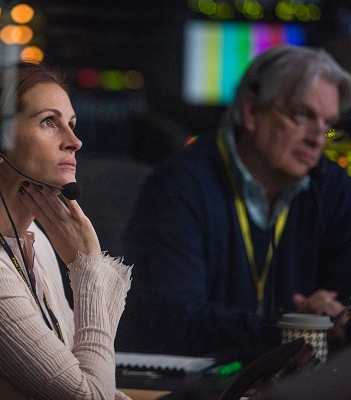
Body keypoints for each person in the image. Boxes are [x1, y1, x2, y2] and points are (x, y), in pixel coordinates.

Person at [116, 44, 351, 360]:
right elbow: (173, 321)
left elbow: (343, 304)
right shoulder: (179, 184)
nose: (317, 138)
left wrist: (337, 318)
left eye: (327, 125)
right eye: (302, 116)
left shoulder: (332, 189)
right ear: (252, 112)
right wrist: (292, 328)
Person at [0, 61, 133, 400]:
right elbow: (89, 396)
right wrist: (88, 266)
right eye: (49, 122)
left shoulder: (40, 243)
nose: (74, 141)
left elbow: (89, 375)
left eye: (72, 125)